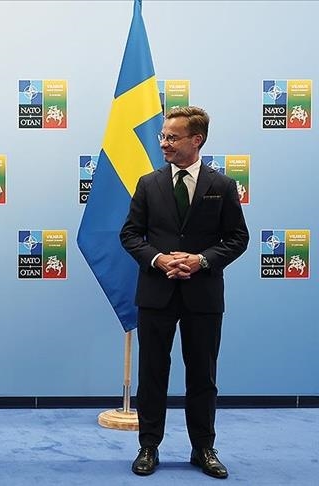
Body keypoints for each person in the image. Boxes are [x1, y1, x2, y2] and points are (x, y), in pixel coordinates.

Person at [120, 106, 249, 479]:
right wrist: (158, 259)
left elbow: (238, 238)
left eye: (172, 137)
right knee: (152, 373)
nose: (164, 143)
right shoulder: (148, 183)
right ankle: (148, 446)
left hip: (202, 295)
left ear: (197, 140)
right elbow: (130, 234)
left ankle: (203, 448)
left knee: (203, 376)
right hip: (156, 293)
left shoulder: (222, 186)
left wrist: (201, 261)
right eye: (163, 136)